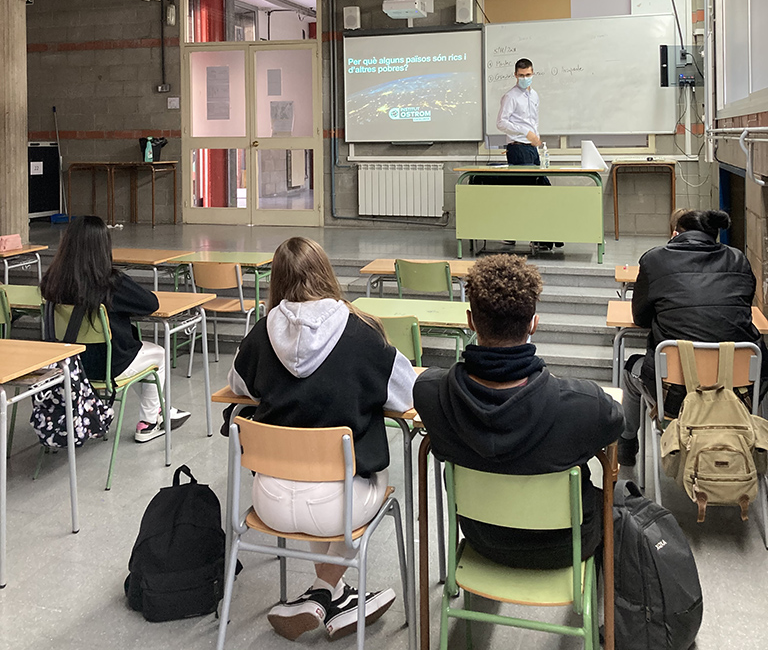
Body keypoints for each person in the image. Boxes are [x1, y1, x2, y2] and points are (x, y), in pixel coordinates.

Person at [227, 236, 417, 641]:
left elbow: (238, 386)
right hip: (338, 508)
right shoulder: (364, 333)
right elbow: (407, 395)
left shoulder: (261, 334)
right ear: (326, 273)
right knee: (358, 475)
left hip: (270, 502)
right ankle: (325, 591)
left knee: (317, 475)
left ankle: (336, 595)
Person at [413, 254, 623, 569]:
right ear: (534, 323)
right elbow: (618, 424)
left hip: (481, 540)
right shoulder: (585, 405)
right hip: (567, 546)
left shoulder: (430, 394)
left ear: (470, 321)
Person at [618, 207, 765, 466]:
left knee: (631, 369)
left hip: (675, 396)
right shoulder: (738, 259)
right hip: (740, 394)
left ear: (675, 234)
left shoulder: (654, 259)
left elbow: (640, 317)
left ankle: (626, 448)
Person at [40, 215, 190, 442]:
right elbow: (151, 303)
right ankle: (149, 422)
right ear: (103, 247)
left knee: (141, 357)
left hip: (68, 366)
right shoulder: (110, 282)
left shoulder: (52, 281)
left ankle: (161, 411)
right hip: (108, 365)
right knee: (157, 354)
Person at [495, 57, 559, 250]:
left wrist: (535, 138)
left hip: (532, 148)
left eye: (528, 75)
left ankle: (541, 235)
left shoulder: (535, 96)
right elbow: (501, 122)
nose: (525, 78)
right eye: (521, 75)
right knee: (524, 192)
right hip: (517, 147)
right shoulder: (511, 96)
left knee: (539, 189)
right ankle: (522, 234)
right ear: (515, 75)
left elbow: (533, 122)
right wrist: (525, 132)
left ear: (533, 73)